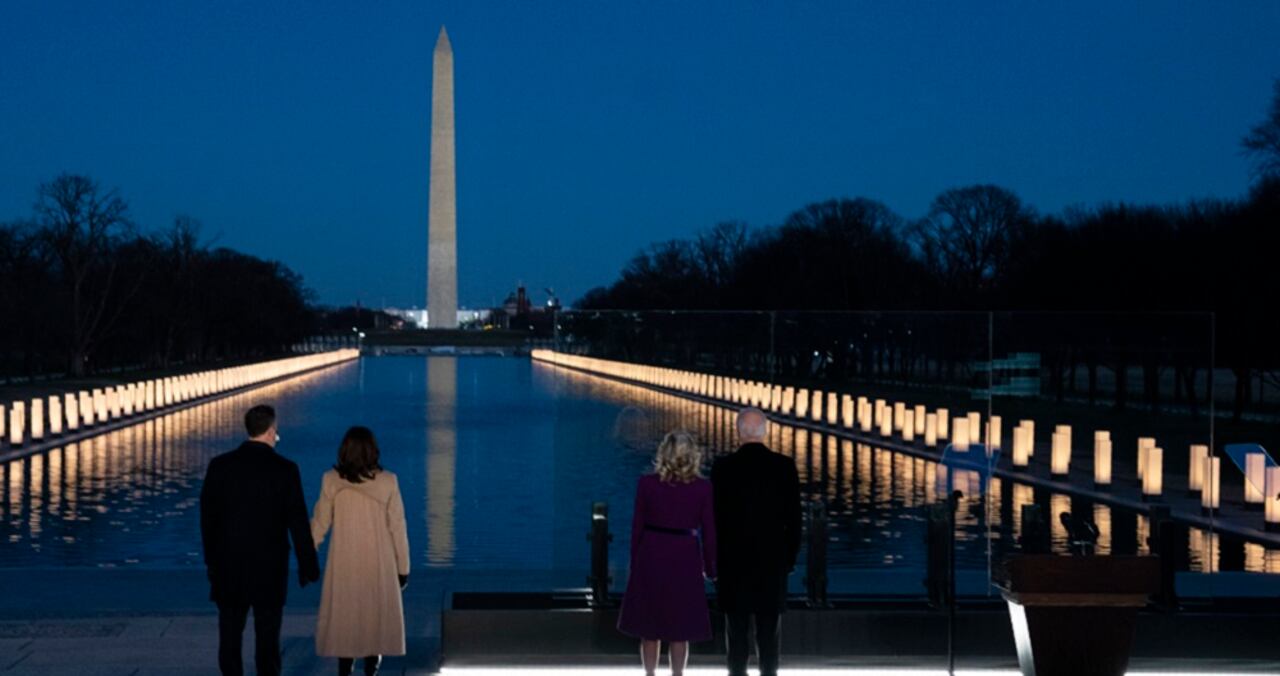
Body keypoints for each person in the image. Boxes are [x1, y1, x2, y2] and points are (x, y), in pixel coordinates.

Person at [200, 404, 320, 676]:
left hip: (228, 565)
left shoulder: (220, 466)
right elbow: (297, 522)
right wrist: (308, 564)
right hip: (269, 567)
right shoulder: (285, 469)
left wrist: (211, 562)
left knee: (229, 634)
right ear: (270, 431)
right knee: (268, 637)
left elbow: (208, 520)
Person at [310, 426, 410, 676]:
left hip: (344, 562)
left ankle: (345, 668)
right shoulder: (388, 481)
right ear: (373, 451)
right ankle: (371, 670)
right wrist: (403, 568)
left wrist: (307, 554)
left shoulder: (331, 480)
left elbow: (320, 523)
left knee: (346, 619)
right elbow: (398, 528)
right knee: (374, 619)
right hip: (379, 563)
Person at [617, 430, 717, 676]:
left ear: (664, 452)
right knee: (680, 628)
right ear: (693, 455)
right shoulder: (703, 488)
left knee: (649, 626)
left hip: (651, 554)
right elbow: (709, 532)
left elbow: (637, 527)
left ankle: (650, 674)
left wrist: (635, 563)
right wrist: (711, 567)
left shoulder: (647, 483)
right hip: (685, 557)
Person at [710, 407, 801, 676]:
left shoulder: (722, 467)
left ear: (738, 432)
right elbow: (795, 520)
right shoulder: (784, 466)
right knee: (769, 633)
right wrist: (789, 559)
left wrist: (714, 560)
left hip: (733, 562)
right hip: (772, 562)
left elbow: (714, 519)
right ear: (765, 432)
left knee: (736, 633)